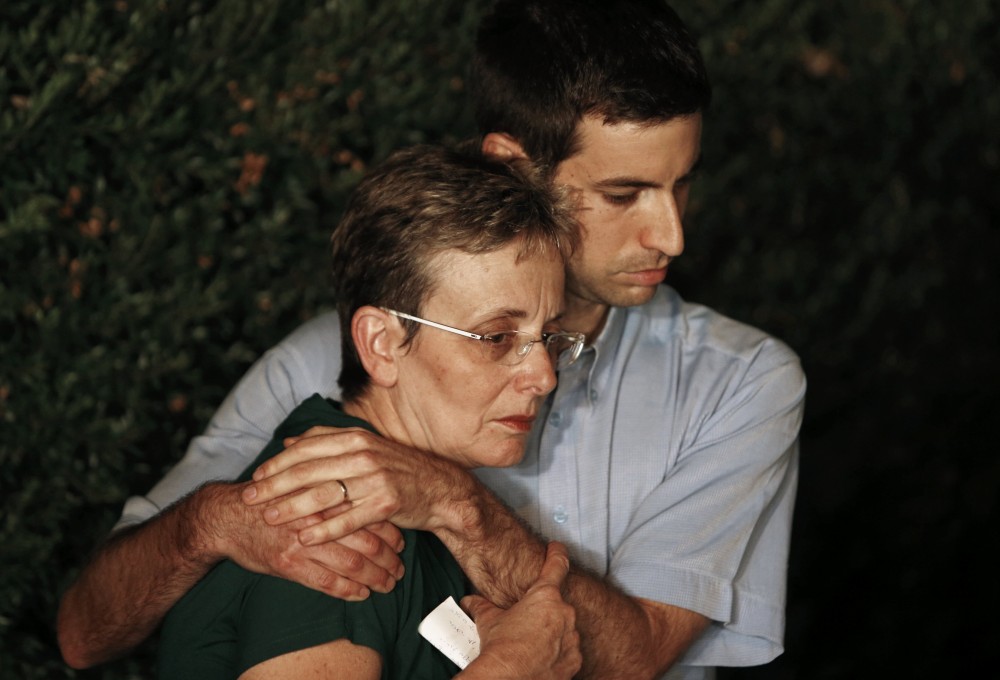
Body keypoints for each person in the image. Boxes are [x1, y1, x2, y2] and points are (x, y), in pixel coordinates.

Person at [58, 2, 806, 679]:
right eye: (623, 194)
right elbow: (84, 636)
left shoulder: (741, 381)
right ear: (514, 166)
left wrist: (452, 501)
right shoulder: (324, 364)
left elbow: (637, 657)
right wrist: (210, 522)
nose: (671, 233)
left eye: (682, 184)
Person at [154, 143, 583, 679]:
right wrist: (514, 670)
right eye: (496, 336)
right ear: (381, 344)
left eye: (548, 336)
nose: (544, 375)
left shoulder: (409, 503)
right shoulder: (333, 531)